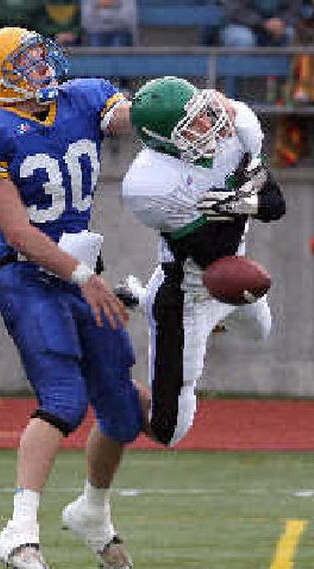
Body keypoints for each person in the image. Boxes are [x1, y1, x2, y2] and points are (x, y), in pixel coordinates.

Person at [0, 26, 145, 569]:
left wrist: (184, 106)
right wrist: (85, 276)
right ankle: (19, 529)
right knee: (63, 398)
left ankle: (92, 514)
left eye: (39, 55)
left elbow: (133, 116)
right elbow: (19, 231)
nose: (41, 65)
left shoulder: (82, 98)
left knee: (126, 413)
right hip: (30, 279)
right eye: (25, 62)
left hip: (83, 279)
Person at [120, 76, 286, 447]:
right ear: (161, 139)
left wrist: (238, 202)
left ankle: (138, 298)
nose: (207, 126)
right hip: (188, 290)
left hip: (234, 269)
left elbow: (275, 205)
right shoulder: (149, 184)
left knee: (260, 332)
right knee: (170, 432)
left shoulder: (237, 126)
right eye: (191, 124)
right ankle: (105, 373)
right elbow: (211, 251)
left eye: (205, 114)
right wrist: (241, 196)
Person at [220, 0, 303, 47]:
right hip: (240, 25)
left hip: (277, 26)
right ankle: (246, 76)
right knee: (243, 39)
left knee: (290, 34)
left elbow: (293, 8)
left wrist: (281, 21)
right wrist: (262, 23)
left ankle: (284, 76)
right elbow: (235, 10)